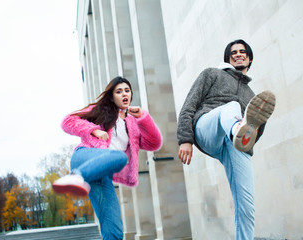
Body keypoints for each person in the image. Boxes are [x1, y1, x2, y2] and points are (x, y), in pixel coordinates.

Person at [177, 39, 275, 240]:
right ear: (228, 58)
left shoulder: (252, 96)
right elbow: (189, 105)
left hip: (235, 143)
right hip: (207, 127)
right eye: (234, 52)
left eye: (243, 52)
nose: (238, 54)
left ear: (249, 58)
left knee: (246, 205)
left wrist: (248, 139)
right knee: (231, 107)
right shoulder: (212, 74)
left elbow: (257, 129)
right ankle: (237, 128)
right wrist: (185, 139)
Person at [53, 76, 162, 240]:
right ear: (111, 96)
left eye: (127, 90)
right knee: (119, 157)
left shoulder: (132, 124)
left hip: (101, 175)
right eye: (119, 91)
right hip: (84, 157)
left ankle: (78, 178)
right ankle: (76, 177)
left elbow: (154, 143)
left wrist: (143, 118)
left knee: (114, 231)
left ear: (131, 95)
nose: (124, 94)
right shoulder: (100, 110)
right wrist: (94, 130)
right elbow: (67, 121)